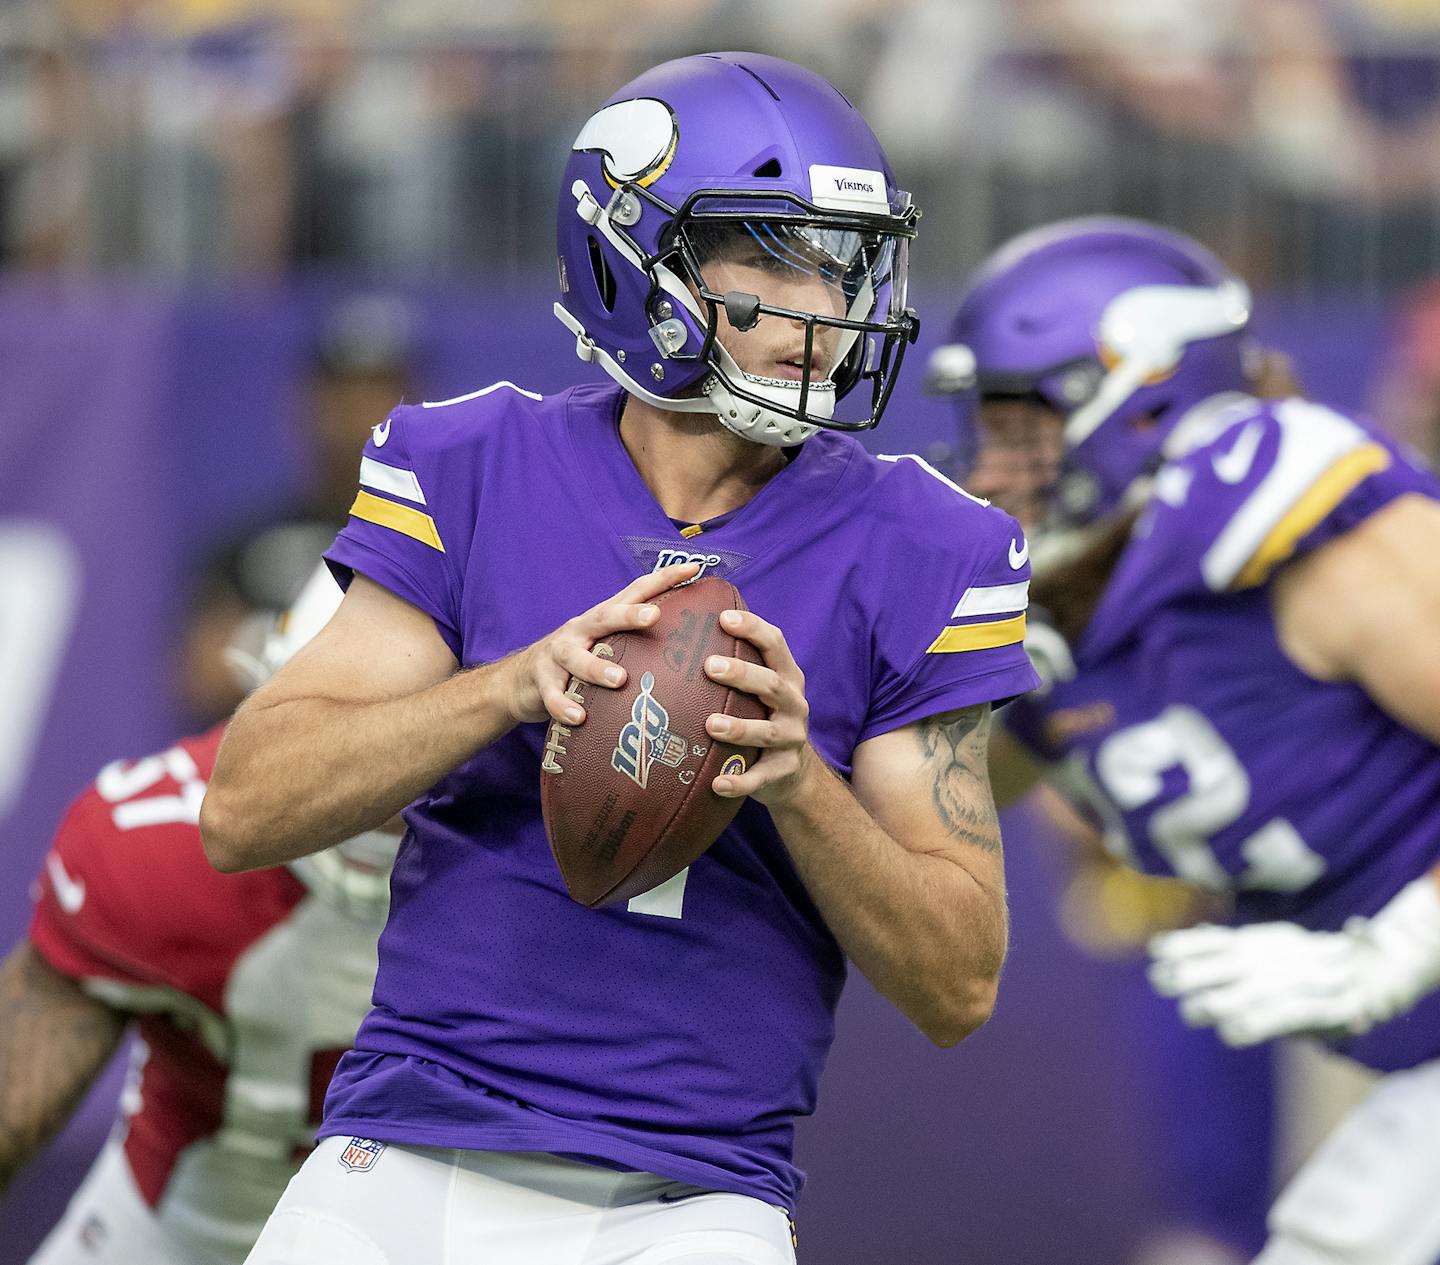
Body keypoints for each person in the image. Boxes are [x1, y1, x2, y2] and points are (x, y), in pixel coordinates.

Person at [200, 51, 1040, 1265]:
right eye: (774, 252)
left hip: (691, 1194)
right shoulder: (472, 465)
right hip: (413, 1145)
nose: (828, 305)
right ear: (631, 254)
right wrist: (503, 686)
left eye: (845, 260)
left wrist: (801, 780)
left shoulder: (931, 545)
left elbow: (958, 984)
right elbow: (245, 807)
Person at [931, 215, 1440, 1265]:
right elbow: (931, 790)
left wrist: (1405, 942)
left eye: (1023, 426)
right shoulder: (1064, 612)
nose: (992, 465)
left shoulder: (1321, 541)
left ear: (1146, 399)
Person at [0, 566, 396, 1265]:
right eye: (327, 733)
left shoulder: (554, 860)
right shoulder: (157, 850)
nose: (367, 793)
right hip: (186, 1231)